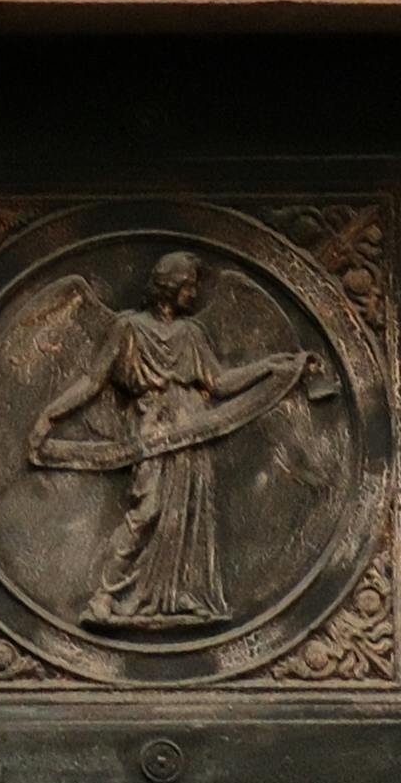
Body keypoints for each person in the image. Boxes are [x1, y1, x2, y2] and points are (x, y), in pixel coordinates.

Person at [23, 250, 341, 636]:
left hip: (195, 428)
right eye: (188, 285)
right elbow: (93, 381)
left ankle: (182, 595)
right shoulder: (128, 330)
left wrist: (270, 366)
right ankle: (103, 599)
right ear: (168, 288)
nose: (193, 293)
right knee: (148, 509)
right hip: (154, 427)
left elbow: (219, 383)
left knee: (191, 512)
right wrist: (50, 414)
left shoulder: (191, 333)